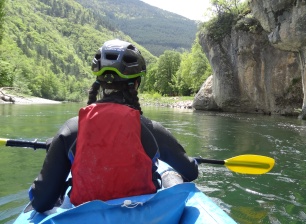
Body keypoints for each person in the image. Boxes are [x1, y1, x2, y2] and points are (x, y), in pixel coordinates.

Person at [29, 39, 199, 213]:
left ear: (99, 82)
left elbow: (41, 202)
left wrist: (56, 152)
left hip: (87, 218)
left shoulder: (71, 130)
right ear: (136, 83)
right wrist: (176, 169)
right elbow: (191, 172)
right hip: (144, 218)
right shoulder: (150, 129)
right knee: (169, 174)